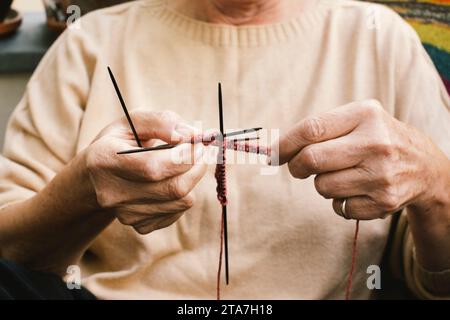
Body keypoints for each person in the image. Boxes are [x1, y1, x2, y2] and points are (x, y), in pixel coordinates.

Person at [0, 0, 448, 299]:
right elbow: (11, 254)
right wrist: (86, 193)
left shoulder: (380, 39)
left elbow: (438, 281)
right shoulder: (89, 42)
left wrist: (433, 184)